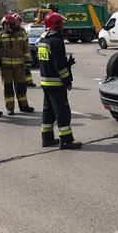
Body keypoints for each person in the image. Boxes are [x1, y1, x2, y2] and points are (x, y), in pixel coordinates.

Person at [37, 12, 82, 149]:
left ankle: (47, 138)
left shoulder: (42, 40)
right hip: (56, 83)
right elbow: (59, 66)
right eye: (61, 23)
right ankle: (66, 140)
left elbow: (48, 63)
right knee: (62, 111)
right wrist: (67, 81)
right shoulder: (56, 41)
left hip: (45, 82)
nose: (63, 25)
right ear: (57, 25)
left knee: (48, 111)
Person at [0, 13, 34, 115]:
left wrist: (28, 62)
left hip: (19, 67)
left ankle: (24, 106)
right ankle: (10, 108)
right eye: (4, 25)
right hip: (5, 68)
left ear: (12, 25)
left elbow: (26, 49)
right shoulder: (0, 36)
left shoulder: (21, 35)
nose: (5, 26)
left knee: (21, 87)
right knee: (8, 88)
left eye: (7, 24)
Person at [14, 17, 36, 88]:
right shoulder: (13, 30)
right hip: (17, 53)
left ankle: (29, 82)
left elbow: (25, 39)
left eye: (19, 21)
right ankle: (21, 82)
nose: (18, 22)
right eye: (16, 21)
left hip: (24, 51)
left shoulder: (22, 29)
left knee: (26, 68)